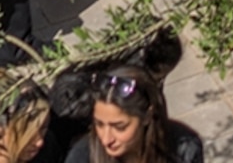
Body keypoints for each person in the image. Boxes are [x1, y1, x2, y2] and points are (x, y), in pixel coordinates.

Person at [63, 61, 209, 163]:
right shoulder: (82, 157)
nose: (106, 139)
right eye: (99, 124)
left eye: (119, 127)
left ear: (147, 116)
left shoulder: (183, 149)